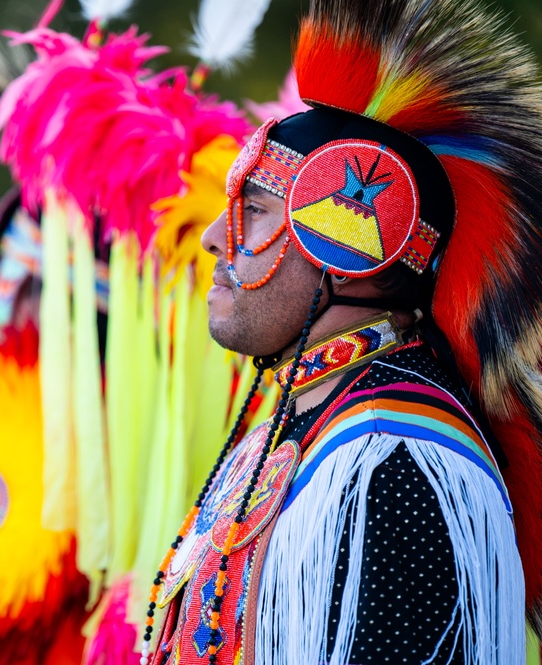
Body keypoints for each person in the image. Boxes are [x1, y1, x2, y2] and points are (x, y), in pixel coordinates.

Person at [143, 0, 542, 664]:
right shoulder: (315, 420)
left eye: (254, 209)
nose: (215, 238)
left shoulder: (391, 456)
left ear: (355, 241)